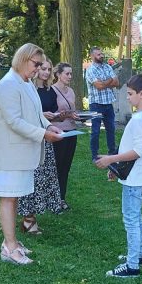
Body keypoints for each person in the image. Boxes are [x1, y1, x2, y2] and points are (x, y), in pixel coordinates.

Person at [0, 43, 63, 266]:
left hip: (21, 153)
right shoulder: (8, 84)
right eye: (36, 64)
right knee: (8, 198)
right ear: (23, 59)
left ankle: (11, 241)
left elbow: (36, 114)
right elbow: (14, 121)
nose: (38, 69)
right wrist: (43, 135)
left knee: (14, 197)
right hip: (9, 154)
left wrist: (48, 126)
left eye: (40, 65)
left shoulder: (26, 82)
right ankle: (9, 248)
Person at [95, 74, 142, 278]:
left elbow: (137, 151)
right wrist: (116, 168)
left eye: (130, 94)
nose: (127, 97)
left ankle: (132, 265)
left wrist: (111, 159)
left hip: (134, 178)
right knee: (135, 217)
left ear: (141, 94)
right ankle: (139, 255)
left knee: (131, 219)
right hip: (134, 176)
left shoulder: (139, 120)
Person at [17, 57, 63, 233]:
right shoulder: (27, 88)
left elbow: (49, 113)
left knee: (43, 179)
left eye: (49, 69)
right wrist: (43, 116)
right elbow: (23, 114)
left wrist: (54, 120)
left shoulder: (50, 90)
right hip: (31, 138)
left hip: (46, 138)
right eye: (42, 68)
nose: (46, 72)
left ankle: (32, 215)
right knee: (31, 178)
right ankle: (28, 218)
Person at [52, 62, 79, 210]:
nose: (70, 76)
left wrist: (76, 116)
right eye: (67, 73)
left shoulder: (71, 91)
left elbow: (73, 110)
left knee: (66, 166)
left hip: (72, 131)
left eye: (71, 73)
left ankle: (61, 198)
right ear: (58, 74)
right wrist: (61, 116)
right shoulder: (52, 91)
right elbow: (49, 114)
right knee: (57, 165)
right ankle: (54, 199)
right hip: (58, 131)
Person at [85, 47, 119, 162]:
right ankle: (95, 155)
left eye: (101, 54)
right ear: (92, 56)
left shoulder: (107, 67)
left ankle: (112, 153)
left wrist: (104, 83)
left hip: (108, 103)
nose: (101, 56)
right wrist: (109, 80)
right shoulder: (90, 70)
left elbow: (117, 82)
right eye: (98, 54)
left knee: (111, 129)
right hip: (96, 104)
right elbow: (99, 86)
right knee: (95, 131)